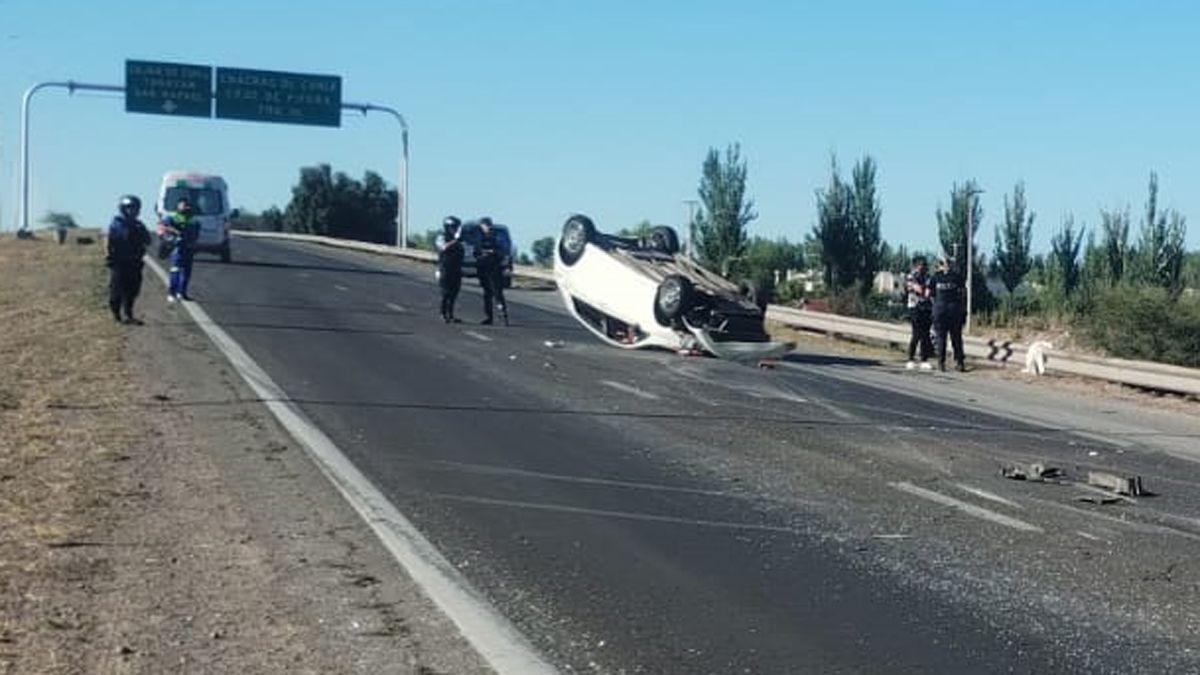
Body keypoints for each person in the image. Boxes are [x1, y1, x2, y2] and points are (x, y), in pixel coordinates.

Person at [105, 195, 151, 324]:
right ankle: (116, 315)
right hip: (119, 263)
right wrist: (108, 255)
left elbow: (148, 240)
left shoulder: (139, 225)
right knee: (116, 290)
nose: (132, 211)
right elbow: (108, 240)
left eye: (134, 208)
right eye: (129, 208)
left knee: (132, 290)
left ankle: (128, 314)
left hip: (135, 262)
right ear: (123, 209)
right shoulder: (115, 224)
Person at [159, 197, 200, 302]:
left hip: (189, 248)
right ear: (178, 205)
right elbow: (163, 226)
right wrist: (173, 231)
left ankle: (182, 293)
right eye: (183, 205)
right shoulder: (172, 217)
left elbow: (196, 231)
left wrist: (193, 241)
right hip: (177, 247)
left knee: (186, 272)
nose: (185, 207)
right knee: (175, 270)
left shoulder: (193, 219)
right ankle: (172, 293)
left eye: (187, 205)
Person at [931, 255, 966, 372]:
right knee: (956, 337)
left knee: (941, 338)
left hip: (940, 310)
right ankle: (959, 362)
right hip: (954, 310)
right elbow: (962, 294)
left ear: (940, 265)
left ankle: (941, 363)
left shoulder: (935, 277)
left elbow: (930, 294)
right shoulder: (957, 277)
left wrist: (935, 307)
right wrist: (963, 310)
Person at [474, 217, 508, 325]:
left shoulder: (496, 237)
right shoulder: (480, 238)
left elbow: (502, 252)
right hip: (484, 269)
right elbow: (476, 252)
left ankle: (503, 316)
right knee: (487, 294)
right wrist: (481, 256)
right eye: (483, 226)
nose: (485, 227)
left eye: (486, 225)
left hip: (494, 268)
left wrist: (492, 253)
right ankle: (489, 317)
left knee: (497, 293)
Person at [904, 255, 934, 370]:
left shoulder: (927, 276)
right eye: (920, 265)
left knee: (925, 335)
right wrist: (923, 289)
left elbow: (927, 292)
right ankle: (910, 359)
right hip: (914, 307)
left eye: (924, 265)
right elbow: (919, 289)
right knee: (916, 334)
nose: (923, 268)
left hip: (926, 307)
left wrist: (925, 290)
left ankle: (924, 359)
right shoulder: (911, 276)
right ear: (916, 266)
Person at [436, 216, 465, 323]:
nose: (456, 229)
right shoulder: (442, 236)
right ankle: (442, 313)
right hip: (445, 268)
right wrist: (455, 241)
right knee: (445, 292)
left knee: (454, 292)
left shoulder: (460, 239)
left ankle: (450, 314)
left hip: (456, 269)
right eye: (453, 227)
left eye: (456, 227)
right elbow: (443, 247)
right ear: (447, 227)